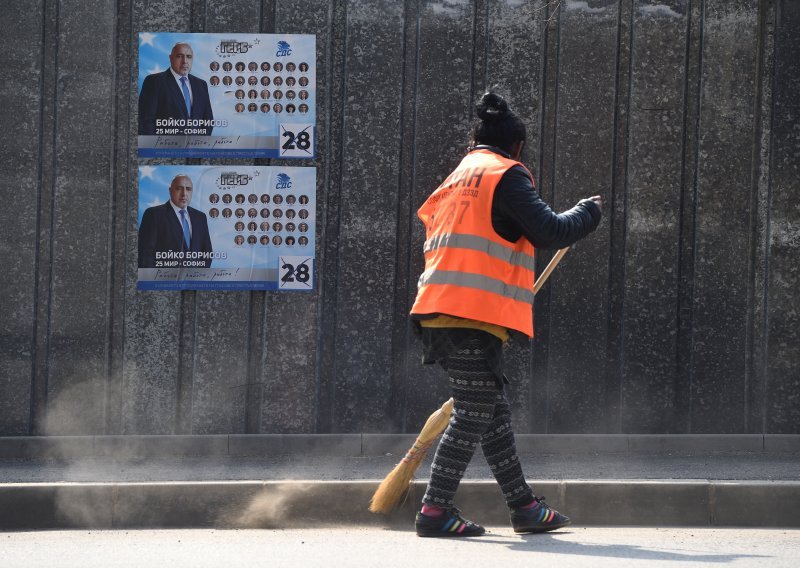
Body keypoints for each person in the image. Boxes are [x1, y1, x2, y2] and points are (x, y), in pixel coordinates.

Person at [410, 92, 603, 538]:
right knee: (476, 410)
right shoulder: (505, 174)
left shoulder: (458, 176)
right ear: (516, 146)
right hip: (467, 314)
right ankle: (435, 511)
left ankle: (524, 507)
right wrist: (588, 212)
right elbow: (551, 230)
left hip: (446, 308)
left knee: (492, 411)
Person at [138, 42, 214, 135]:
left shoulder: (201, 84)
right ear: (171, 58)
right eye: (179, 56)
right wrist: (155, 147)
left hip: (195, 147)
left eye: (189, 57)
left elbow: (208, 120)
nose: (185, 61)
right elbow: (145, 120)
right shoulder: (154, 81)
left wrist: (200, 145)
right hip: (164, 147)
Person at [138, 174, 213, 268]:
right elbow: (145, 255)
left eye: (188, 189)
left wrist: (197, 277)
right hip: (163, 280)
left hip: (194, 280)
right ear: (170, 191)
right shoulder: (154, 214)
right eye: (179, 188)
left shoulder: (200, 217)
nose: (184, 193)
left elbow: (207, 253)